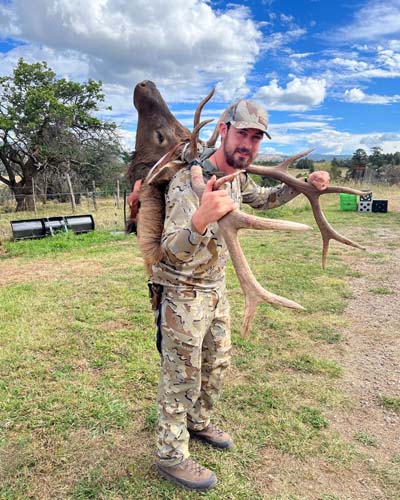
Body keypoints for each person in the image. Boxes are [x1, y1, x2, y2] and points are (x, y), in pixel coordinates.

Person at [150, 99, 330, 491]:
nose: (248, 144)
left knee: (216, 366)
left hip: (216, 290)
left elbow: (264, 198)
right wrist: (200, 219)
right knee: (181, 376)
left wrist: (304, 188)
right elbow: (169, 252)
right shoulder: (188, 182)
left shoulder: (239, 178)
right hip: (182, 293)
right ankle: (170, 455)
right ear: (224, 129)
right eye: (242, 133)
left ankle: (198, 423)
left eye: (256, 137)